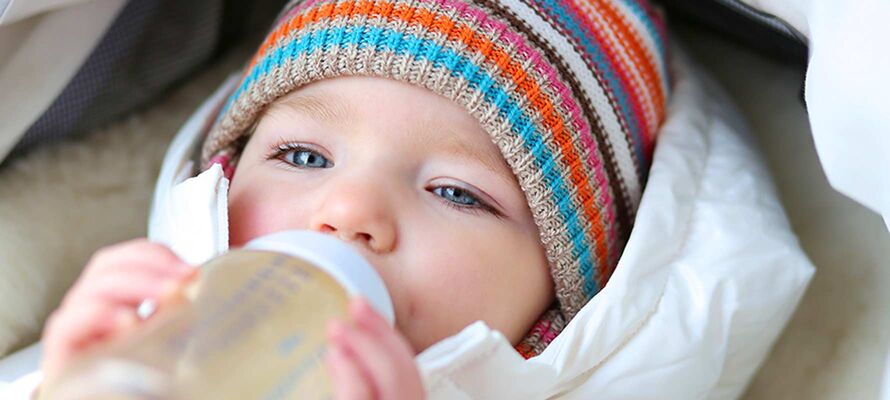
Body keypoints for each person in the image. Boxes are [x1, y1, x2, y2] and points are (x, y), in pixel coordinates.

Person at [41, 0, 670, 397]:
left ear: (562, 300)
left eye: (456, 193)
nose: (347, 211)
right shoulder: (134, 359)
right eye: (304, 157)